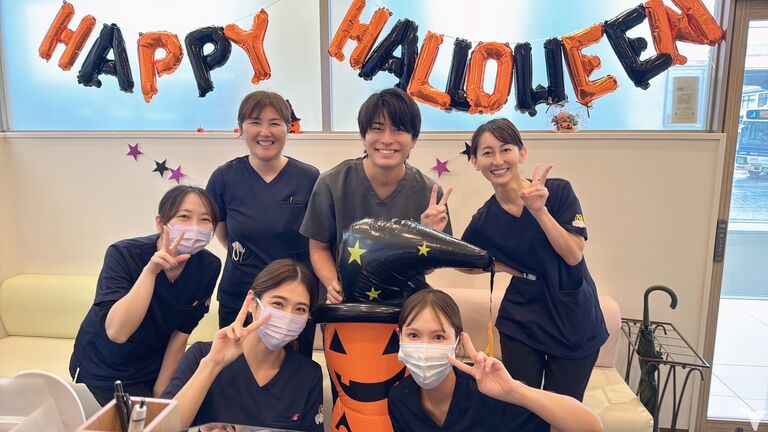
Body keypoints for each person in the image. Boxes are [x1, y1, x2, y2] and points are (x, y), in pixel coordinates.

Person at [461, 118, 608, 401]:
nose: (498, 160)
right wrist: (500, 266)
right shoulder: (484, 220)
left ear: (521, 153)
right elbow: (463, 259)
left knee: (563, 410)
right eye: (487, 153)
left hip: (572, 316)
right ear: (475, 162)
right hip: (521, 319)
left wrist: (540, 211)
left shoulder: (558, 192)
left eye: (506, 149)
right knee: (520, 406)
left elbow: (573, 254)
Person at [69, 185, 222, 405]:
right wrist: (151, 271)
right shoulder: (124, 254)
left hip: (155, 363)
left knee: (180, 414)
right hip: (108, 366)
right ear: (161, 223)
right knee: (137, 421)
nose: (195, 227)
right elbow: (118, 332)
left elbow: (182, 332)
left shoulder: (208, 266)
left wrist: (163, 391)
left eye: (205, 220)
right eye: (184, 217)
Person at [300, 87, 452, 303]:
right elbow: (318, 248)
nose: (387, 139)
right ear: (364, 136)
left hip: (406, 308)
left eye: (398, 130)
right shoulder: (331, 184)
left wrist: (429, 236)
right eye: (377, 129)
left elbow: (427, 269)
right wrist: (334, 285)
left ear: (414, 139)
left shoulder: (430, 193)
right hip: (346, 305)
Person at [388, 289, 603, 432]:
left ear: (457, 343)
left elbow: (590, 427)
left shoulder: (487, 394)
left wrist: (515, 391)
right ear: (400, 338)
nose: (424, 348)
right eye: (413, 335)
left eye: (438, 337)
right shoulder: (400, 399)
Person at [206, 90, 320, 356]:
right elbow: (223, 232)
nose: (265, 132)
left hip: (294, 300)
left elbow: (320, 239)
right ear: (241, 127)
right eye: (255, 122)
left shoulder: (309, 178)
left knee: (292, 372)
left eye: (275, 123)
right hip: (240, 296)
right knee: (236, 369)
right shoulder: (224, 178)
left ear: (289, 127)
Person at [161, 259, 324, 431]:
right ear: (252, 303)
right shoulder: (202, 355)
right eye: (278, 304)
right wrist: (213, 364)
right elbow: (162, 428)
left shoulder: (308, 374)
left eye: (300, 309)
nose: (288, 317)